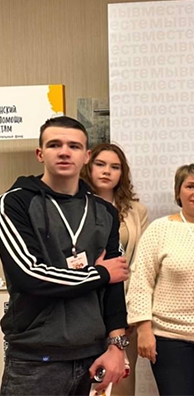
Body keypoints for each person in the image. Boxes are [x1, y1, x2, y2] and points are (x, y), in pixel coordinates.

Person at [0, 116, 130, 395]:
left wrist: (117, 346)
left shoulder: (105, 212)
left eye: (73, 146)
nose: (64, 152)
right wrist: (100, 274)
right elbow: (30, 275)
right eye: (54, 145)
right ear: (40, 153)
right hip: (35, 358)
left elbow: (115, 285)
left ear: (86, 156)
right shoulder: (15, 203)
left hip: (92, 356)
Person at [126, 164, 194, 396]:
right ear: (178, 191)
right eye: (190, 186)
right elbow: (141, 281)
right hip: (169, 337)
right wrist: (144, 329)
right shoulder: (159, 229)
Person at [81, 143, 149, 396]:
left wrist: (129, 311)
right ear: (88, 166)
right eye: (100, 164)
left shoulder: (136, 211)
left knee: (120, 385)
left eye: (115, 167)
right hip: (82, 306)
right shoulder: (72, 205)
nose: (106, 171)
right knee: (85, 383)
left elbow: (141, 264)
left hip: (123, 311)